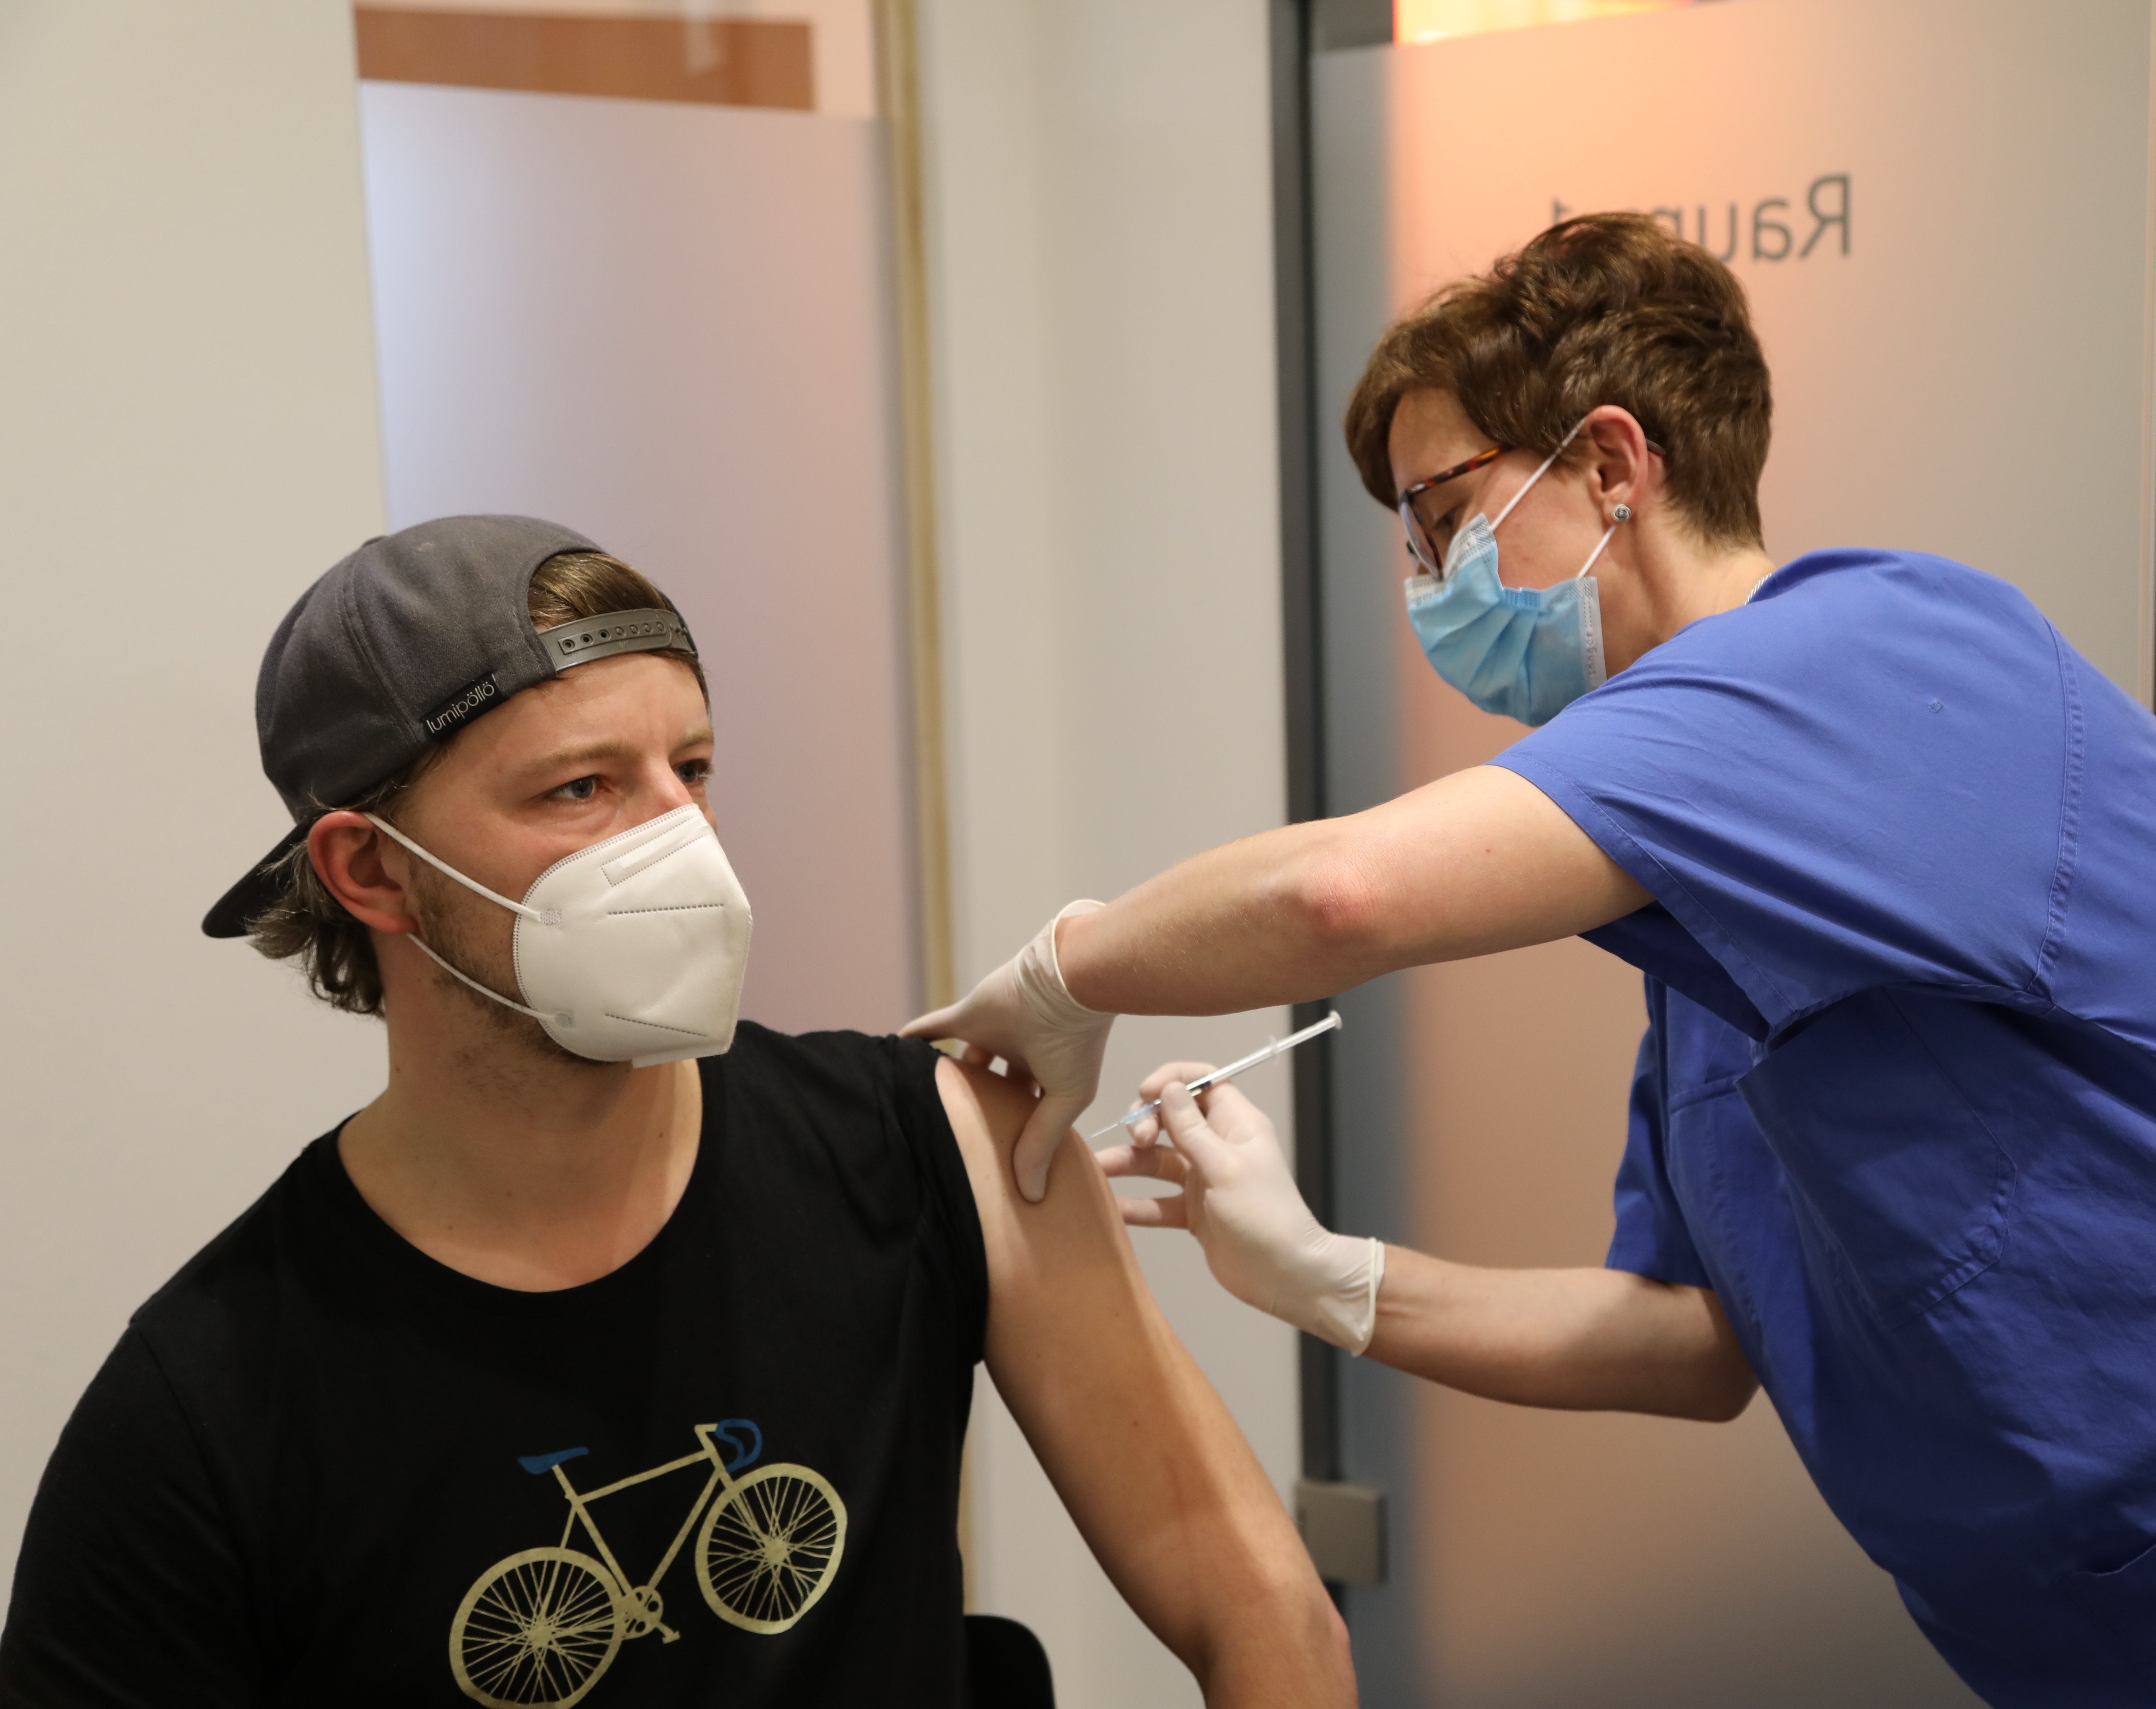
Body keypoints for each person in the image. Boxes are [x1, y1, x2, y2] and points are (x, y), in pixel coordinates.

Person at [906, 214, 2156, 1708]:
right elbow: (1696, 1340)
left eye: (1445, 514)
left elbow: (1340, 895)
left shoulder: (1869, 664)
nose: (1431, 577)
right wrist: (1320, 1272)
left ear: (1614, 465)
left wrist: (1068, 971)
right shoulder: (1715, 912)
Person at [0, 516, 1353, 1709]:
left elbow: (1261, 1613)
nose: (682, 845)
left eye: (690, 771)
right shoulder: (208, 1409)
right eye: (581, 789)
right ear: (370, 869)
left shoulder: (935, 1143)